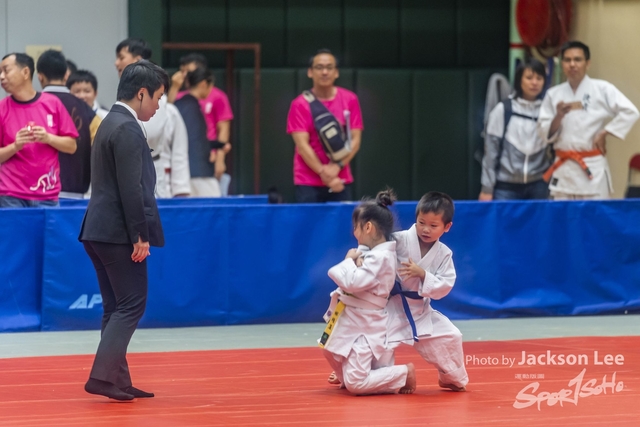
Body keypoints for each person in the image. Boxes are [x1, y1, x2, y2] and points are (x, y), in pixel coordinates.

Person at [79, 60, 168, 401]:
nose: (158, 105)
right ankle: (102, 377)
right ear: (142, 93)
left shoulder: (109, 122)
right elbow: (132, 189)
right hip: (117, 232)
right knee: (131, 304)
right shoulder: (127, 127)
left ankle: (117, 379)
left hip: (97, 229)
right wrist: (139, 236)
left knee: (116, 306)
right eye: (157, 97)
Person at [327, 191, 468, 392]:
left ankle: (450, 377)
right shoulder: (399, 240)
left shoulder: (444, 254)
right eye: (421, 222)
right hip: (389, 309)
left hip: (419, 310)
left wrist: (423, 275)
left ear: (447, 227)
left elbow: (445, 284)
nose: (425, 229)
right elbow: (372, 248)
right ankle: (348, 370)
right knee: (375, 345)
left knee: (451, 335)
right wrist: (360, 259)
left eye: (433, 225)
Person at [320, 189, 417, 395]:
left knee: (356, 384)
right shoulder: (372, 253)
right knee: (329, 348)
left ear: (368, 227)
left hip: (366, 322)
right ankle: (347, 373)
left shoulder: (381, 257)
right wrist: (355, 260)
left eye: (356, 227)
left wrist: (348, 260)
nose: (354, 233)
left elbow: (354, 281)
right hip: (351, 315)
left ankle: (403, 373)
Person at [538, 41, 639, 200]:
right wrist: (558, 116)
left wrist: (605, 132)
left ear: (588, 63)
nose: (572, 64)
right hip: (564, 170)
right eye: (567, 60)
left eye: (577, 59)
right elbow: (544, 133)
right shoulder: (553, 94)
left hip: (592, 169)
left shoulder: (602, 89)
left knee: (595, 215)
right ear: (562, 64)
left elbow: (631, 111)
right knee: (564, 215)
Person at [0, 53, 78, 208]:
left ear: (25, 72)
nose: (2, 77)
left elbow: (72, 146)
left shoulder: (52, 103)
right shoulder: (2, 108)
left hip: (47, 193)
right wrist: (15, 146)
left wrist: (48, 138)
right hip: (11, 195)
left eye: (6, 70)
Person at [115, 38, 190, 198]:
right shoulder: (119, 106)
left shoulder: (167, 109)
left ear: (137, 60)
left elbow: (179, 154)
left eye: (121, 57)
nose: (116, 63)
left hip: (155, 176)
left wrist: (181, 191)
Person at [287, 49, 363, 203]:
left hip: (340, 180)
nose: (324, 72)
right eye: (319, 67)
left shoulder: (350, 99)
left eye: (329, 67)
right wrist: (324, 173)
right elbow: (302, 146)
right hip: (307, 182)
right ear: (310, 72)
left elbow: (355, 140)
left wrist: (337, 167)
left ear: (336, 72)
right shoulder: (299, 104)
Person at [479, 59, 551, 200]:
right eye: (529, 78)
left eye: (539, 78)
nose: (534, 83)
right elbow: (491, 152)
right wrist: (487, 188)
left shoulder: (548, 111)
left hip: (539, 185)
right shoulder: (503, 109)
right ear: (519, 80)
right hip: (506, 187)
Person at [36, 50, 101, 199]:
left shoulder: (32, 105)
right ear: (66, 75)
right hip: (75, 191)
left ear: (40, 76)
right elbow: (101, 148)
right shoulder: (86, 110)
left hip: (39, 189)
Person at [170, 53, 233, 195]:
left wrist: (219, 155)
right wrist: (174, 87)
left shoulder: (216, 96)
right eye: (182, 71)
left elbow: (223, 128)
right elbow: (169, 114)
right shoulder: (185, 102)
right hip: (195, 165)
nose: (184, 75)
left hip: (203, 159)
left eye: (188, 72)